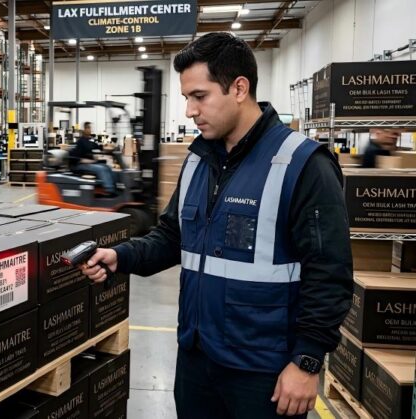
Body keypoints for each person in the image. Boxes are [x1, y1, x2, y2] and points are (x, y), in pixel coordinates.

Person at [79, 32, 352, 419]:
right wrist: (119, 257)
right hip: (197, 357)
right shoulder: (198, 161)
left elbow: (331, 272)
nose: (190, 110)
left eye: (199, 96)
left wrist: (307, 361)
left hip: (264, 371)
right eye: (186, 98)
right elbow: (172, 237)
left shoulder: (303, 164)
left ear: (239, 88)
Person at [69, 122, 117, 195]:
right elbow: (76, 158)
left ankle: (114, 187)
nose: (90, 130)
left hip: (90, 163)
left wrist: (110, 148)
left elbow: (99, 147)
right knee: (101, 169)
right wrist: (91, 161)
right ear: (84, 129)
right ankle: (109, 190)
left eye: (90, 128)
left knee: (107, 167)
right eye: (88, 128)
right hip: (79, 165)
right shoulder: (80, 142)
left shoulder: (90, 140)